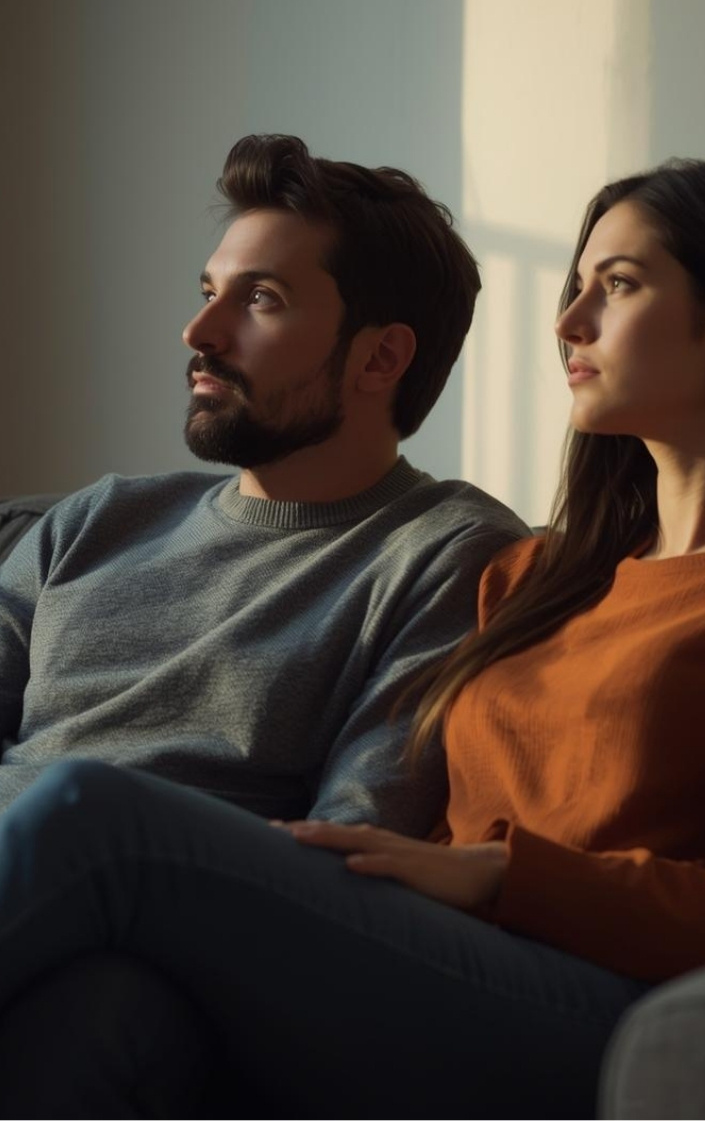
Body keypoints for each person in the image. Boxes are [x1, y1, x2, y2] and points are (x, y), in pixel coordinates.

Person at [0, 155, 705, 1120]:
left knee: (93, 809)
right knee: (106, 1014)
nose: (569, 321)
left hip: (591, 995)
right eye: (575, 286)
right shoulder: (534, 577)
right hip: (425, 952)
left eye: (619, 285)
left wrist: (506, 875)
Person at [0, 133, 528, 832]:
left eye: (260, 298)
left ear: (380, 358)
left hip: (168, 890)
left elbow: (351, 839)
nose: (199, 331)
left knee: (77, 801)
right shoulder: (94, 519)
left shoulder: (447, 555)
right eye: (208, 293)